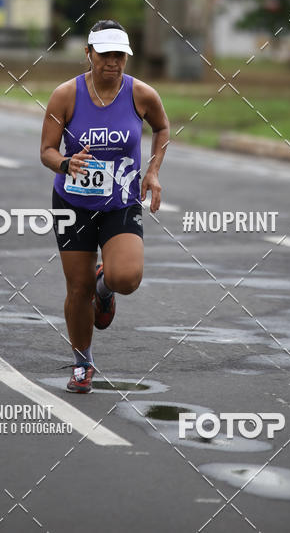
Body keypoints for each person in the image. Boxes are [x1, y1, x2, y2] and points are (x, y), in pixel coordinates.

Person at [40, 20, 170, 393]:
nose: (113, 62)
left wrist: (153, 171)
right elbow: (47, 151)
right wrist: (66, 164)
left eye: (120, 55)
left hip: (120, 201)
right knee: (77, 288)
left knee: (126, 278)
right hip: (73, 203)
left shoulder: (141, 94)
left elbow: (162, 128)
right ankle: (83, 363)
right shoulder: (66, 95)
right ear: (89, 54)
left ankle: (106, 286)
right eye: (105, 54)